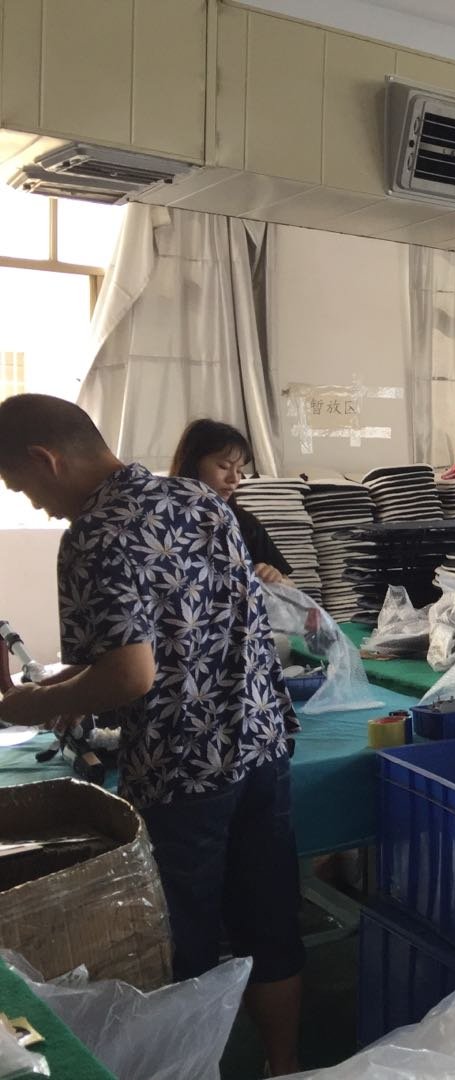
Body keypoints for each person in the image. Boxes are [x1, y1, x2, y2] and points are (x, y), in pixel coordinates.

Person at [0, 395, 305, 1076]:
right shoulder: (201, 500)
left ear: (46, 459)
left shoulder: (94, 531)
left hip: (181, 769)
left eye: (22, 487)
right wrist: (62, 688)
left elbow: (130, 676)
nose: (35, 505)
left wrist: (31, 705)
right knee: (269, 924)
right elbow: (153, 643)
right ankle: (284, 1067)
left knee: (181, 945)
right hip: (260, 744)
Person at [170, 418, 293, 586]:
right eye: (224, 466)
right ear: (193, 463)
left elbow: (293, 588)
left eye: (240, 470)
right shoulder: (160, 520)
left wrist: (276, 578)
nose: (234, 478)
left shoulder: (246, 524)